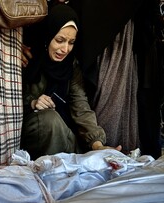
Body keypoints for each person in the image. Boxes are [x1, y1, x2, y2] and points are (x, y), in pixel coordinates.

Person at [20, 4, 121, 160]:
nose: (65, 49)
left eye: (71, 42)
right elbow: (13, 99)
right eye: (59, 40)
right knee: (49, 120)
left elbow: (80, 106)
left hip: (62, 132)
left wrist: (97, 144)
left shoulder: (71, 67)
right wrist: (33, 103)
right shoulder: (27, 59)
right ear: (48, 36)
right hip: (34, 131)